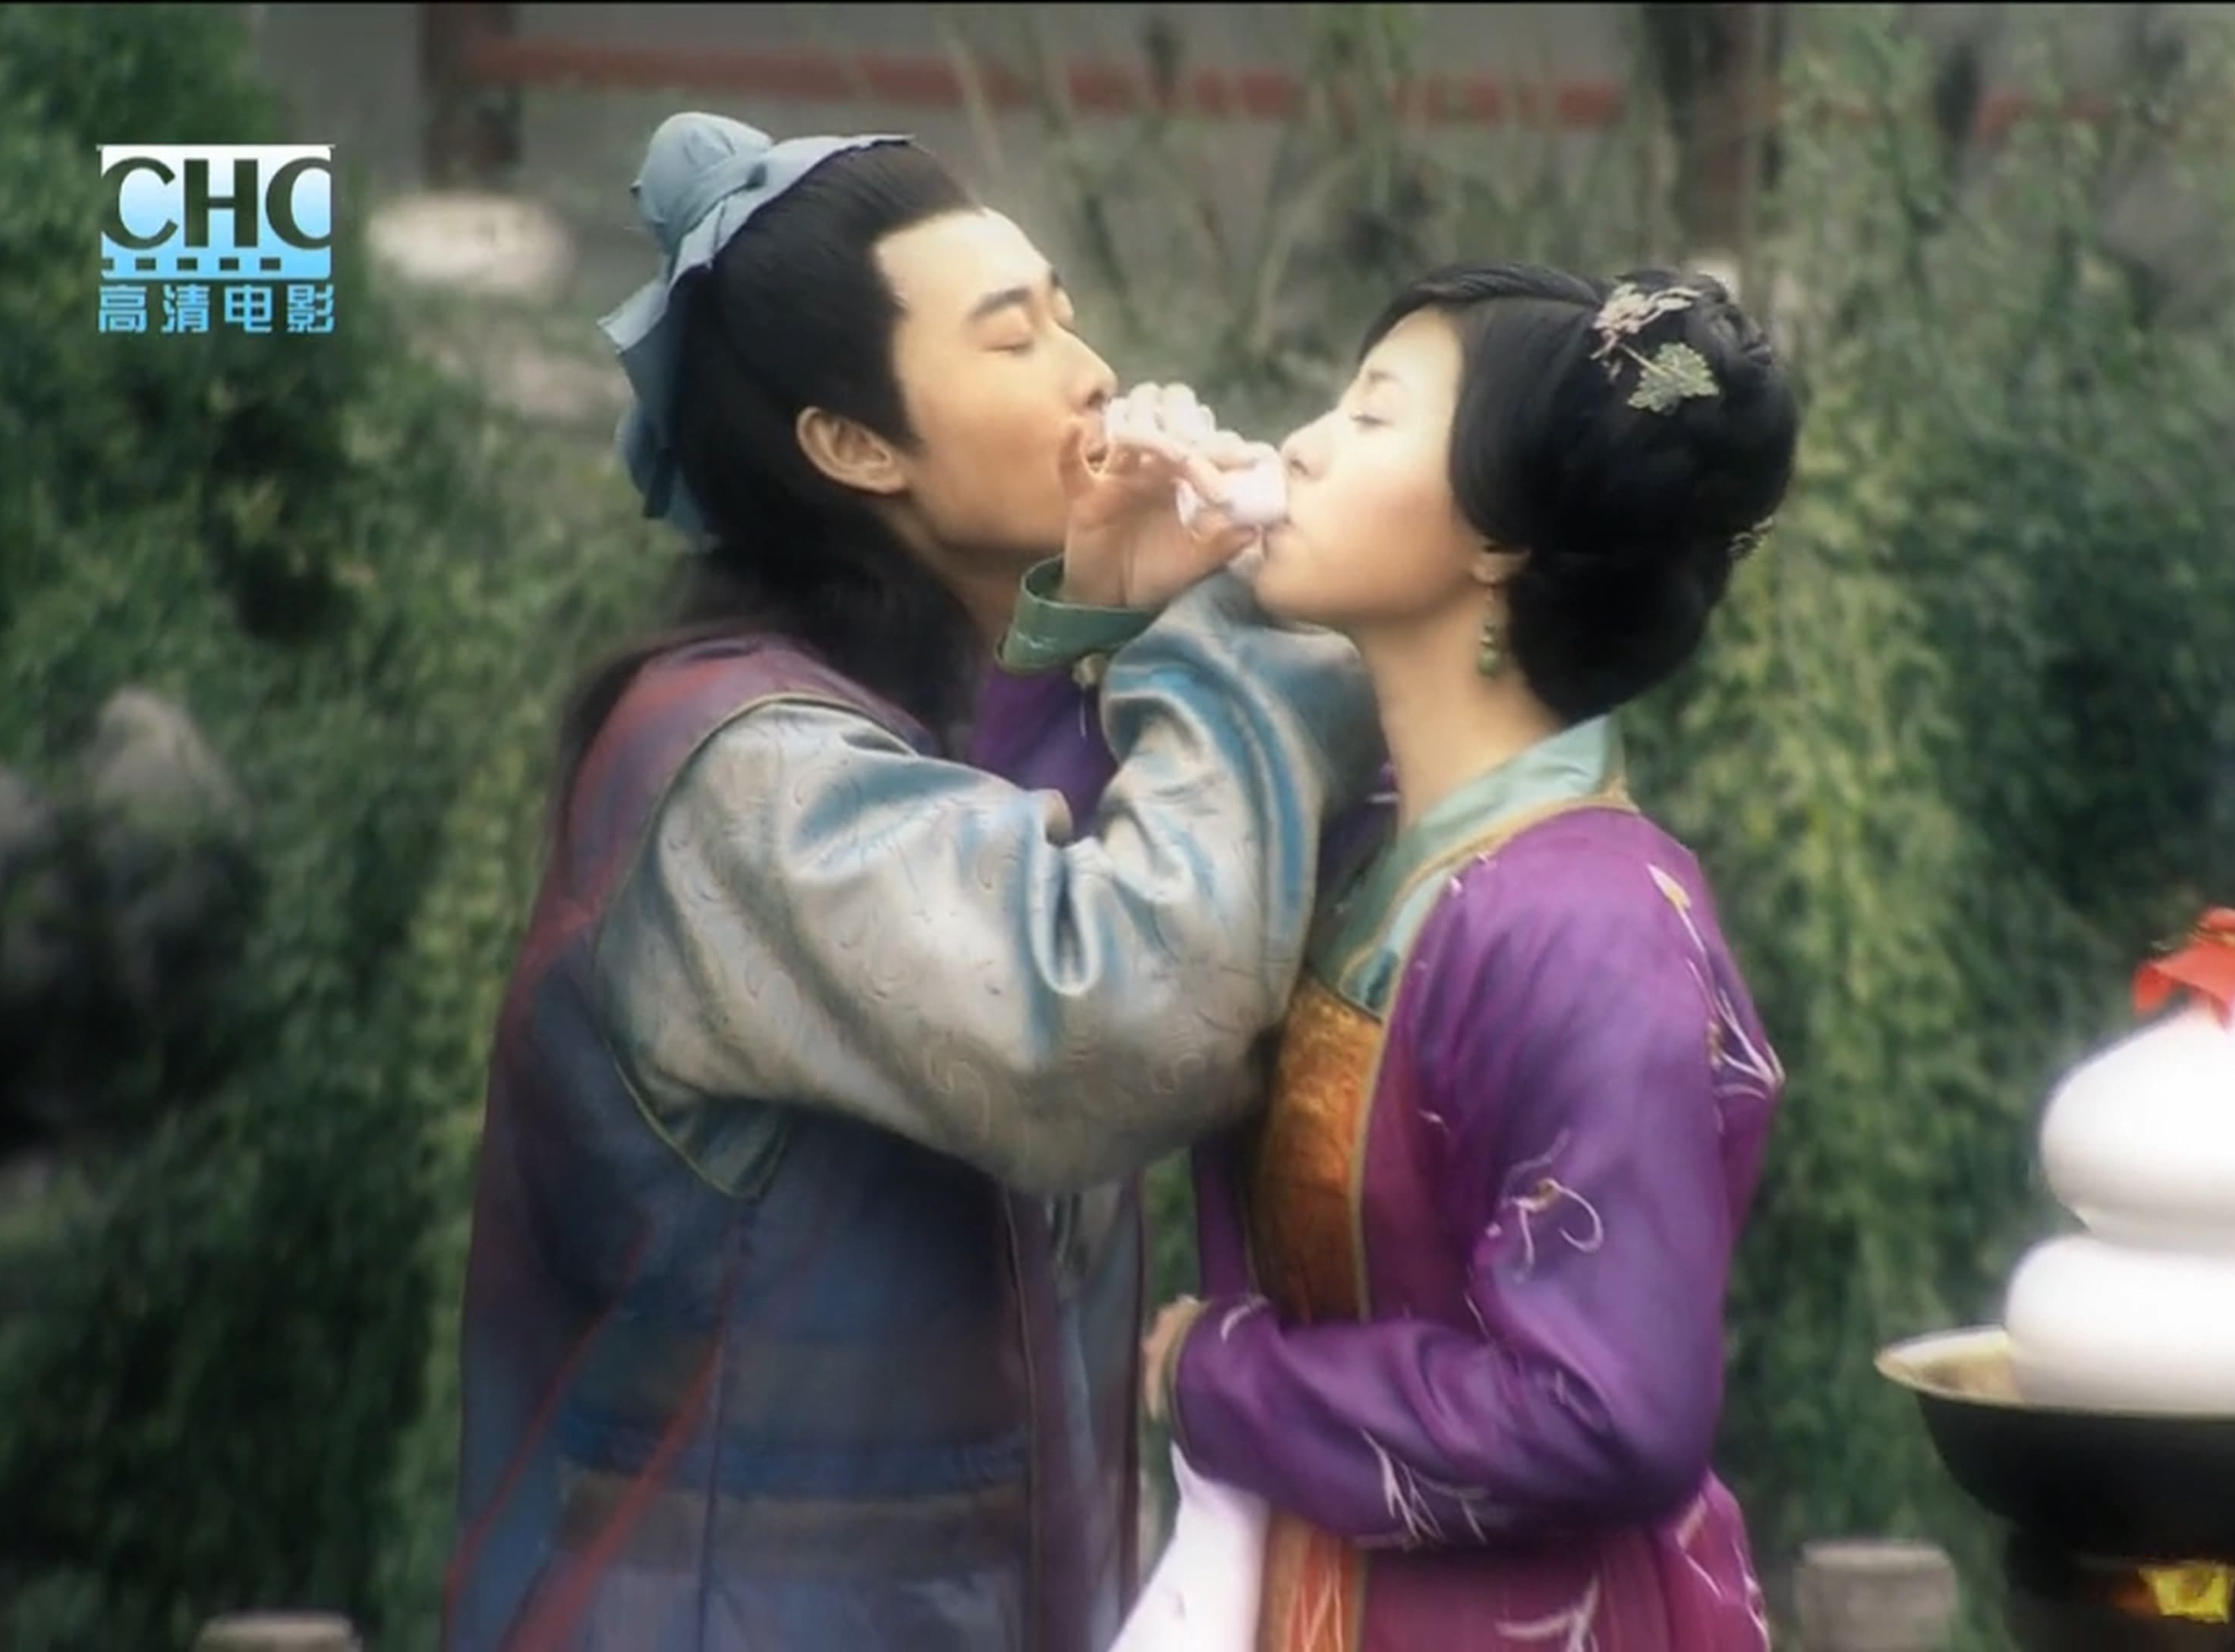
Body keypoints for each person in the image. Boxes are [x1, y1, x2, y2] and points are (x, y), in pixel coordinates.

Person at [442, 113, 1378, 1652]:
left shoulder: (918, 732)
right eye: (1014, 338)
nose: (1091, 371)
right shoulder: (744, 779)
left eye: (1069, 312)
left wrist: (1103, 629)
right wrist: (1227, 646)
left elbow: (1137, 893)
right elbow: (1120, 1015)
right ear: (855, 446)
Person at [1135, 263, 1801, 1648]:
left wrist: (1223, 1377)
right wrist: (1115, 593)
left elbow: (1608, 1413)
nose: (1303, 444)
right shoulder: (1356, 840)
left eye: (1372, 414)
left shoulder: (1588, 926)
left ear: (1498, 539)